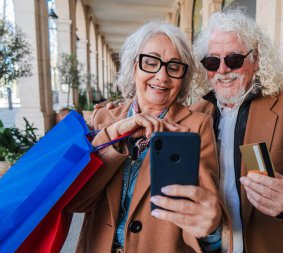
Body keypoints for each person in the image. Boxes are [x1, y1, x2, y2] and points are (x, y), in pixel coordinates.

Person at [66, 21, 226, 253]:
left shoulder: (197, 126)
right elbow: (77, 201)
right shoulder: (104, 120)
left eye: (174, 67)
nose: (162, 76)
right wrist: (115, 135)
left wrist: (211, 227)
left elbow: (200, 211)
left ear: (183, 77)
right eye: (150, 63)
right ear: (134, 68)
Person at [189, 9, 283, 253]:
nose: (223, 70)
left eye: (234, 60)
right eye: (212, 61)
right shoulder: (196, 114)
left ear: (256, 58)